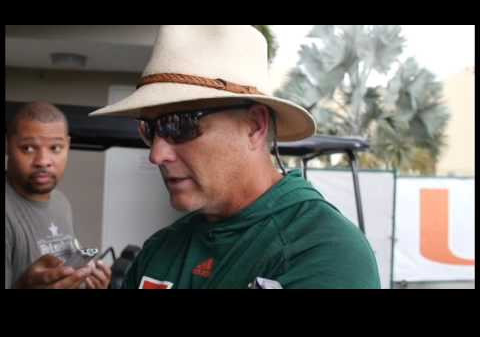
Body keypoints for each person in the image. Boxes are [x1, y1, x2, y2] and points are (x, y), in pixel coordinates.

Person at [90, 25, 381, 289]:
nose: (156, 154)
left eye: (179, 125)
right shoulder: (163, 248)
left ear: (255, 126)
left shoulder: (326, 252)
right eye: (150, 129)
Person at [5, 101, 111, 289]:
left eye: (55, 148)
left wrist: (85, 281)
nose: (43, 161)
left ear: (67, 146)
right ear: (8, 145)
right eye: (28, 148)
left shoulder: (61, 202)